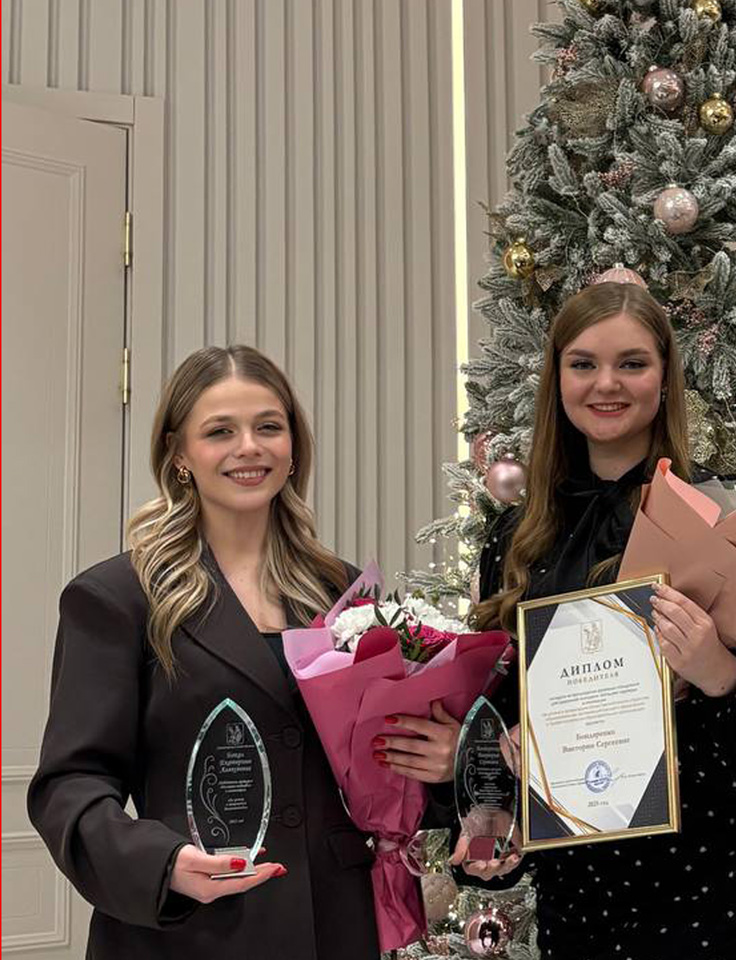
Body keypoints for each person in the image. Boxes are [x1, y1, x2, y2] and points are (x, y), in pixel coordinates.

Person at [27, 345, 448, 959]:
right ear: (178, 454)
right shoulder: (117, 598)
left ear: (293, 447)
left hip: (334, 923)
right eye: (220, 431)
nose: (249, 447)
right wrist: (162, 864)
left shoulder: (346, 593)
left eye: (268, 427)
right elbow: (70, 785)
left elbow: (384, 764)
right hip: (190, 931)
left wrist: (441, 761)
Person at [452, 281, 736, 959]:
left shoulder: (721, 516)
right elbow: (496, 713)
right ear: (557, 380)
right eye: (583, 364)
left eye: (632, 363)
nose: (606, 383)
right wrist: (499, 803)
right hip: (576, 893)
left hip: (707, 885)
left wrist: (718, 671)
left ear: (665, 378)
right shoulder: (515, 539)